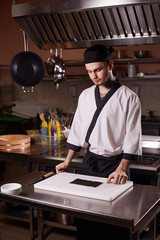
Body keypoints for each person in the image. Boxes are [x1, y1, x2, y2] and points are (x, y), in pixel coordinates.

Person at [56, 44, 142, 184]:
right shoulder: (86, 95)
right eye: (89, 72)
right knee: (86, 204)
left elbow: (132, 137)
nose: (94, 76)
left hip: (115, 167)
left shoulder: (129, 98)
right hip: (89, 163)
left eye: (98, 70)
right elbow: (77, 130)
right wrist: (67, 162)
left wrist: (122, 168)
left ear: (110, 65)